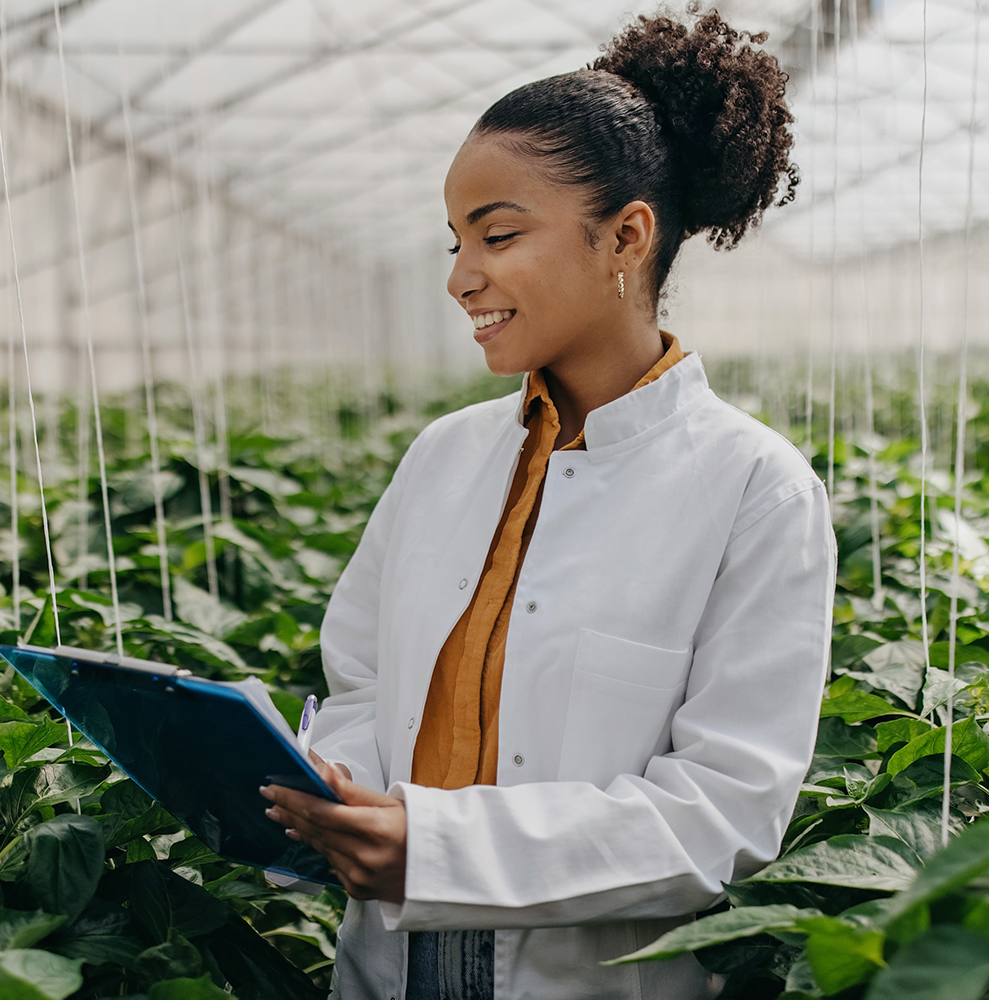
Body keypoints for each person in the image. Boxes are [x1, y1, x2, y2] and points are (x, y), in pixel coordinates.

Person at [259, 8, 833, 999]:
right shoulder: (443, 457)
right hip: (386, 960)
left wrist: (437, 851)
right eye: (455, 241)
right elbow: (357, 680)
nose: (460, 276)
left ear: (627, 235)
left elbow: (725, 812)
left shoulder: (753, 487)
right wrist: (342, 794)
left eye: (498, 235)